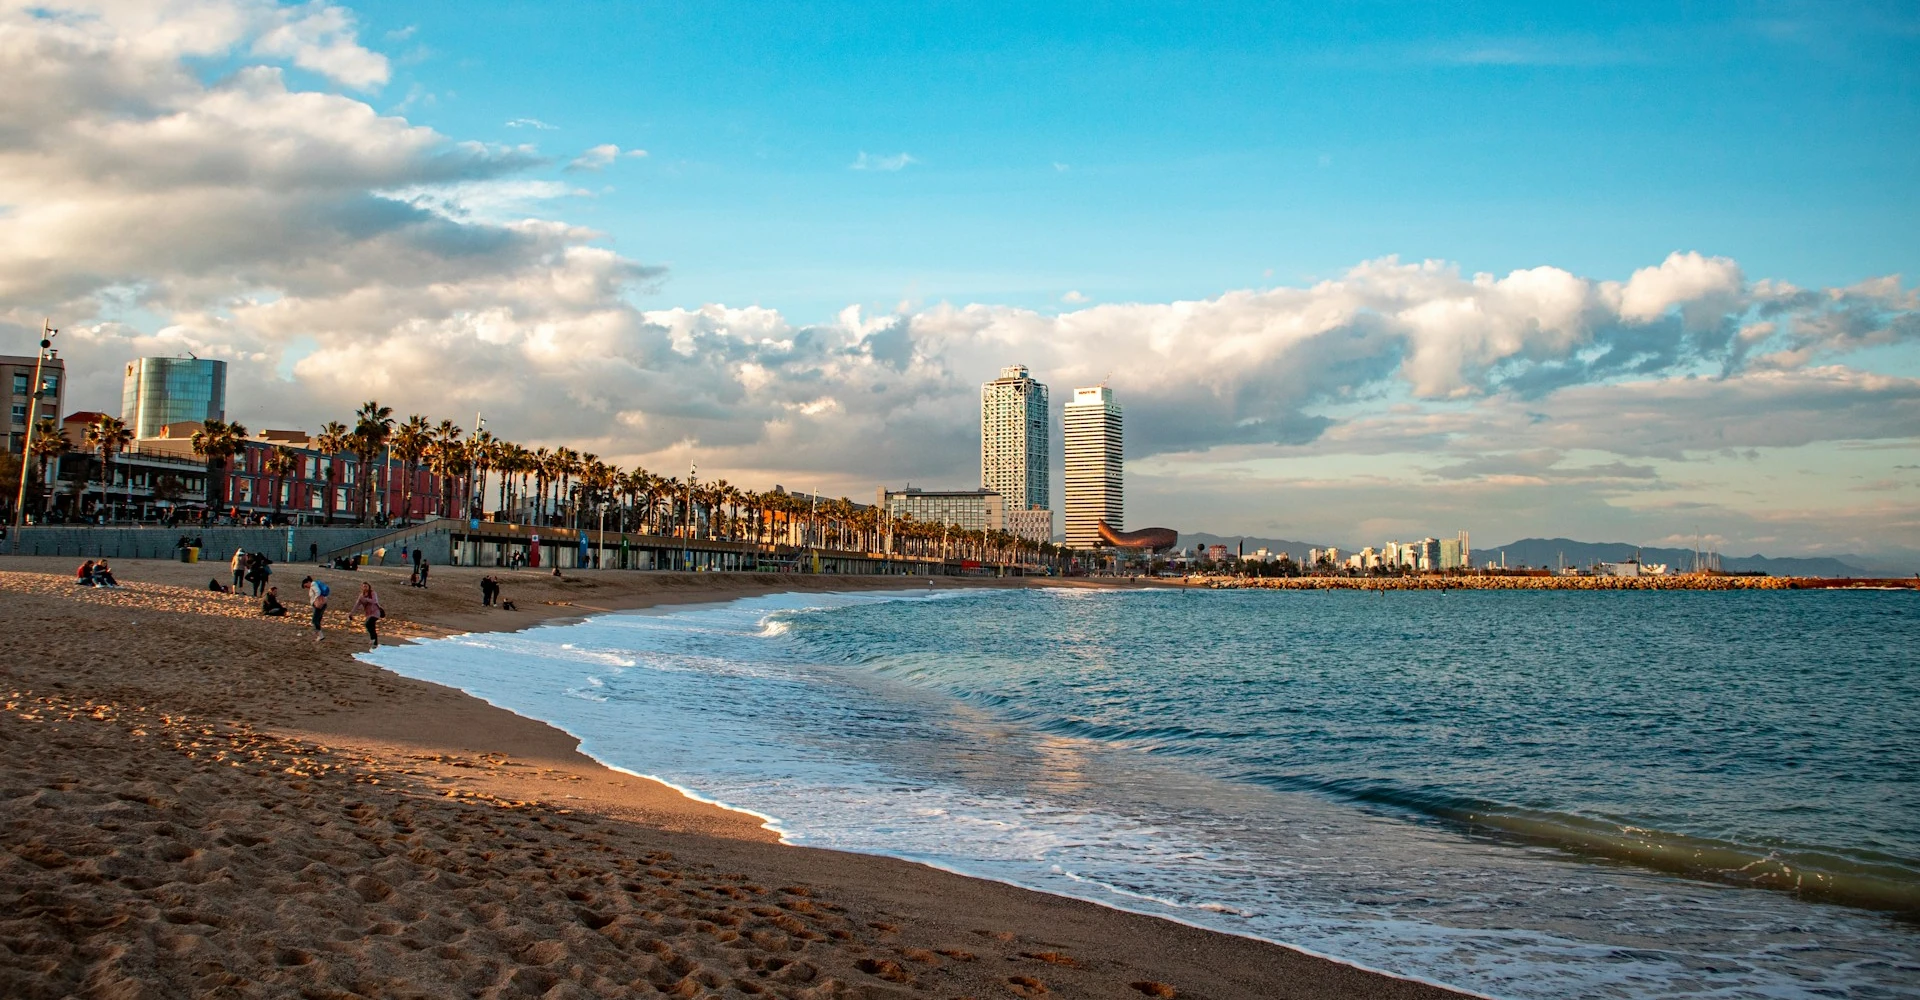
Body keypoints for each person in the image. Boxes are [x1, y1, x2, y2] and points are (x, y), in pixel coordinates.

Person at [350, 582, 385, 648]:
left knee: (368, 624)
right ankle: (375, 643)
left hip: (376, 612)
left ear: (369, 587)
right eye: (364, 586)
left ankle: (373, 639)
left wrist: (366, 599)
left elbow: (374, 601)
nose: (365, 588)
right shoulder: (361, 596)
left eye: (366, 586)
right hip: (368, 613)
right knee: (372, 627)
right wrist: (351, 613)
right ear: (362, 587)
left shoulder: (373, 593)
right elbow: (357, 605)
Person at [302, 575, 330, 641]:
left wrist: (315, 600)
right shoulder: (314, 585)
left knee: (314, 620)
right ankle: (318, 634)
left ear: (308, 582)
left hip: (319, 605)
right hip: (322, 604)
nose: (306, 588)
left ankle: (320, 635)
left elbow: (318, 592)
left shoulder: (313, 584)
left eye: (306, 586)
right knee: (318, 619)